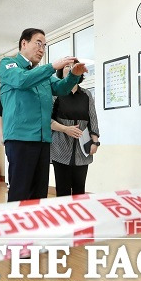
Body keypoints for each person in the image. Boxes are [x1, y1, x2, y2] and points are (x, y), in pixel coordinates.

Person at [0, 28, 88, 202]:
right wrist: (52, 66)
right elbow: (22, 80)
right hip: (20, 138)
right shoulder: (8, 64)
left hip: (43, 139)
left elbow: (61, 88)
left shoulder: (43, 74)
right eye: (38, 43)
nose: (42, 49)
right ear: (24, 43)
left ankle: (35, 228)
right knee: (20, 191)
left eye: (44, 45)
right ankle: (16, 228)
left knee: (40, 192)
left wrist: (73, 76)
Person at [51, 60, 100, 196]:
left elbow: (93, 119)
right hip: (60, 147)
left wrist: (95, 142)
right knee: (62, 190)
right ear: (61, 71)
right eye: (67, 66)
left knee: (80, 190)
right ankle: (63, 217)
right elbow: (47, 119)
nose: (71, 68)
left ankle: (79, 217)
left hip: (82, 149)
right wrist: (65, 129)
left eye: (74, 66)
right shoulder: (56, 93)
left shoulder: (86, 94)